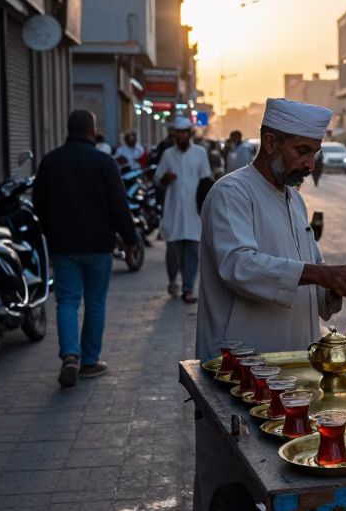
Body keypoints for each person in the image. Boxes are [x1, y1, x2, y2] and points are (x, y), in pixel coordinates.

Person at [194, 99, 346, 511]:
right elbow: (239, 266)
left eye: (313, 152)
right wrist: (318, 271)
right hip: (241, 368)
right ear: (270, 143)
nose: (310, 163)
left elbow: (307, 284)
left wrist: (332, 287)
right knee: (235, 484)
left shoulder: (292, 200)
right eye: (301, 151)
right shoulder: (230, 194)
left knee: (295, 477)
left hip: (295, 371)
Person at [32, 109, 138, 387]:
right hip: (98, 246)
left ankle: (70, 355)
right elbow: (119, 205)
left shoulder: (50, 162)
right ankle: (90, 361)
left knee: (66, 301)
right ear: (93, 131)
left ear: (68, 130)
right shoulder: (104, 162)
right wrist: (130, 239)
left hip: (63, 246)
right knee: (95, 302)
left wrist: (49, 233)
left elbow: (38, 205)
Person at [158, 117, 213, 302]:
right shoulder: (167, 155)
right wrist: (166, 178)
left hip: (193, 211)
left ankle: (188, 288)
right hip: (173, 211)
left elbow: (206, 180)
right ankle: (173, 280)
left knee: (191, 251)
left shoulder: (200, 153)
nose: (181, 137)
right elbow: (158, 179)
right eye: (178, 134)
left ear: (189, 134)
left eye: (184, 133)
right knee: (173, 252)